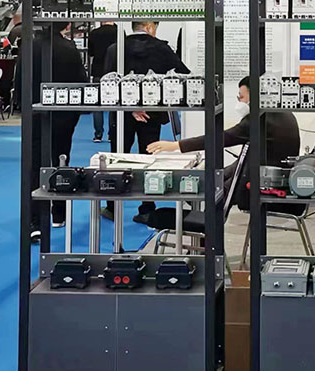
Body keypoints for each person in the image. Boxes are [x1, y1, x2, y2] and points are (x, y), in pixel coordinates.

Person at [147, 76, 300, 210]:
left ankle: (204, 227)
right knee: (211, 180)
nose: (239, 101)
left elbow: (223, 139)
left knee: (209, 190)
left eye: (241, 97)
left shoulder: (260, 120)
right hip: (267, 174)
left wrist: (176, 145)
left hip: (264, 183)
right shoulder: (278, 113)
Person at [102, 20, 189, 223]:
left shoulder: (115, 49)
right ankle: (147, 207)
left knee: (117, 157)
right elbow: (183, 74)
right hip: (152, 113)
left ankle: (112, 206)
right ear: (150, 27)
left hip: (122, 112)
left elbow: (106, 82)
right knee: (150, 158)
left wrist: (131, 105)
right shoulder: (162, 49)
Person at [15, 21, 88, 240]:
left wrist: (22, 106)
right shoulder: (69, 48)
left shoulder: (29, 47)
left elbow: (20, 79)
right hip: (64, 113)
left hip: (34, 112)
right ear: (66, 25)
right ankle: (59, 212)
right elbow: (81, 81)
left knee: (34, 163)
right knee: (61, 159)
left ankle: (35, 219)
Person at [88, 21, 118, 142]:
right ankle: (112, 133)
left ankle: (98, 134)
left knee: (97, 104)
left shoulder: (94, 33)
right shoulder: (119, 32)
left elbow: (91, 52)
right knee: (114, 104)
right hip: (114, 71)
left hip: (98, 71)